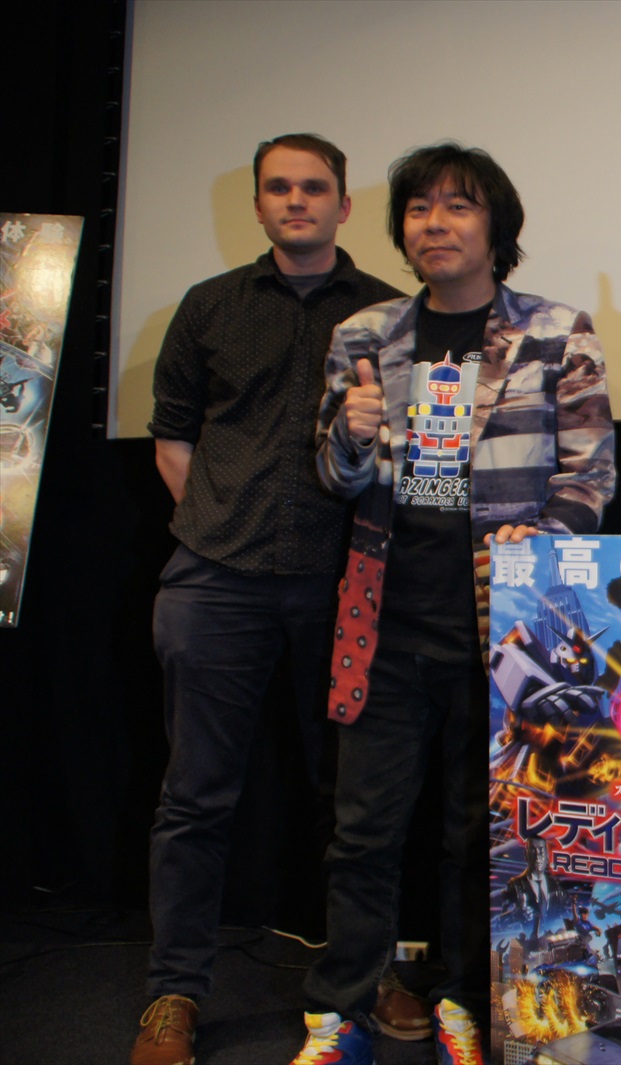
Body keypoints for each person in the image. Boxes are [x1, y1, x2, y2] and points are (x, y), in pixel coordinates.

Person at [295, 143, 615, 1065]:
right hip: (385, 621)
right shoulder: (365, 335)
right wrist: (349, 436)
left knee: (480, 833)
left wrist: (539, 536)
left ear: (496, 227)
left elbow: (591, 472)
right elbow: (336, 477)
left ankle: (464, 1004)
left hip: (509, 626)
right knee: (363, 833)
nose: (435, 223)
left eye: (458, 206)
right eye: (419, 208)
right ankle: (339, 1015)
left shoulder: (555, 331)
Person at [136, 133, 404, 1065]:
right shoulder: (209, 306)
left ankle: (368, 972)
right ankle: (173, 992)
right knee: (196, 797)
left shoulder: (388, 313)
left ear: (344, 205)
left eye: (315, 187)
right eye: (279, 188)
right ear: (258, 205)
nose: (297, 201)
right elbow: (173, 438)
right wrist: (220, 527)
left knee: (356, 800)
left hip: (345, 589)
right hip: (217, 582)